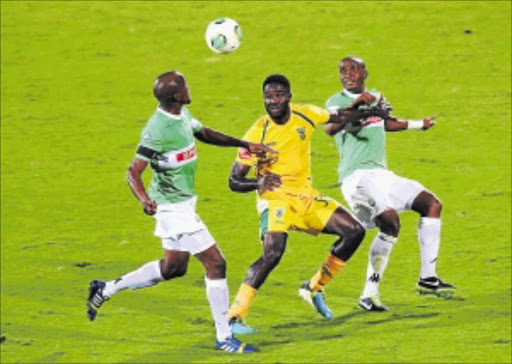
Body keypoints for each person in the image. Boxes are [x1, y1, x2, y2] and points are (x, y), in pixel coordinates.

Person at [86, 71, 271, 353]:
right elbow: (133, 172)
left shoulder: (181, 115)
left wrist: (244, 144)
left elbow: (204, 133)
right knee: (216, 263)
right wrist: (144, 200)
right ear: (175, 95)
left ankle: (106, 289)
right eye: (185, 86)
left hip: (185, 203)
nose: (189, 88)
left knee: (173, 268)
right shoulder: (157, 130)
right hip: (171, 209)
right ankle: (224, 337)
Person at [226, 74, 388, 334]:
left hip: (306, 196)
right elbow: (234, 181)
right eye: (268, 96)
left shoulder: (306, 114)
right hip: (275, 199)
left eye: (279, 95)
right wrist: (258, 184)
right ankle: (235, 317)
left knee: (355, 231)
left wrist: (371, 112)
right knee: (273, 254)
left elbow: (339, 117)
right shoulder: (257, 133)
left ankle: (314, 287)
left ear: (289, 96)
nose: (274, 101)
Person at [324, 56, 455, 312]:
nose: (347, 74)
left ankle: (428, 277)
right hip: (356, 177)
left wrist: (420, 124)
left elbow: (385, 123)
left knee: (432, 204)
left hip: (381, 174)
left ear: (365, 73)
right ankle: (368, 294)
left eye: (353, 69)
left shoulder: (376, 95)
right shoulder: (336, 102)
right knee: (390, 222)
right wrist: (358, 104)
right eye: (342, 71)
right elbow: (330, 128)